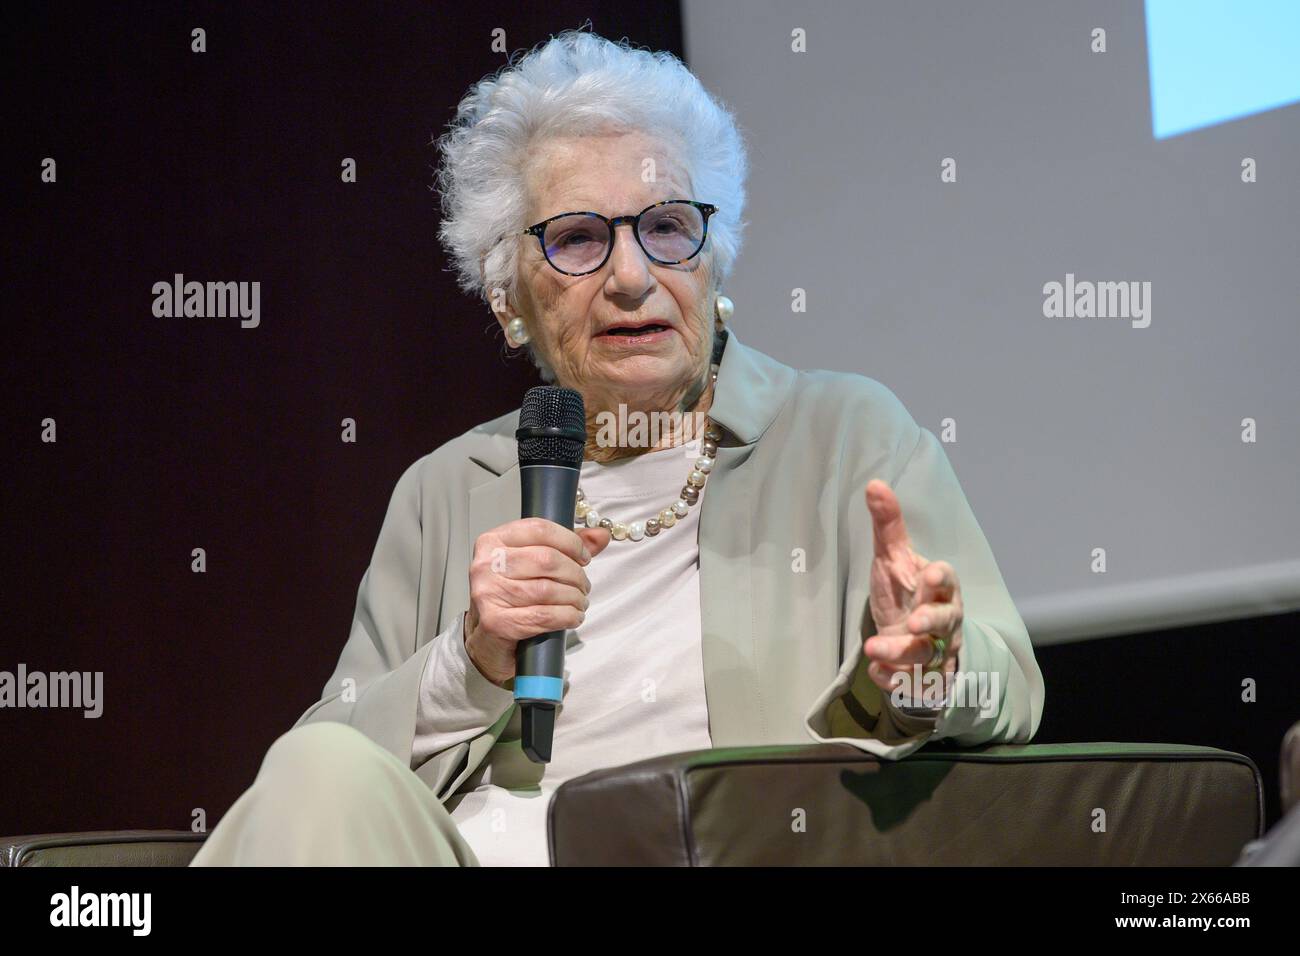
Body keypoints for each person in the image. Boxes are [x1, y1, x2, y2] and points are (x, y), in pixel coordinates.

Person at [191, 28, 1043, 867]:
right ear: (506, 300)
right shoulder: (446, 488)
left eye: (667, 227)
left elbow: (1009, 688)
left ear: (716, 263)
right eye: (578, 239)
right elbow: (317, 775)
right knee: (319, 767)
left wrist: (924, 675)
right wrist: (472, 658)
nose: (633, 276)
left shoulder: (844, 435)